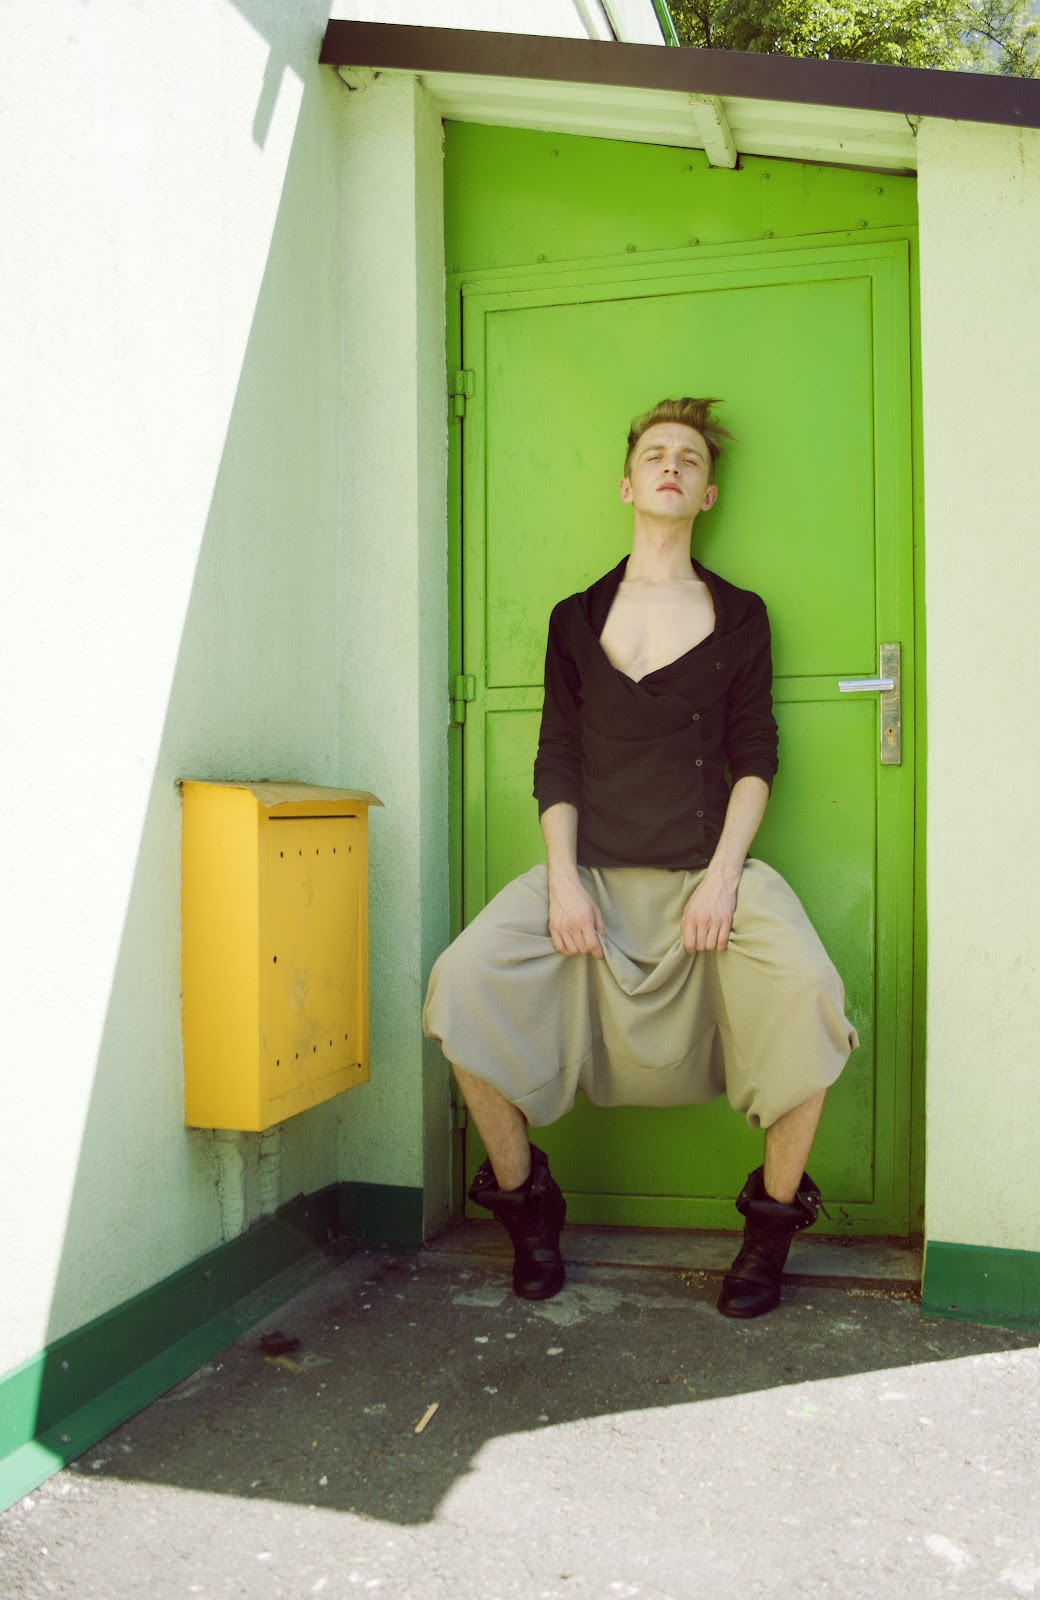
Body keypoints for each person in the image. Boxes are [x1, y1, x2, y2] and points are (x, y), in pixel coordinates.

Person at [423, 397, 858, 1319]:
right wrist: (562, 882)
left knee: (811, 996)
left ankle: (769, 1231)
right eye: (655, 454)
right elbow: (557, 758)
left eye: (690, 459)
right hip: (588, 873)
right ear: (628, 486)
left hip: (707, 874)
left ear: (706, 496)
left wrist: (725, 878)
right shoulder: (575, 619)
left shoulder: (740, 616)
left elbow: (755, 754)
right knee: (460, 983)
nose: (671, 466)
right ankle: (527, 1209)